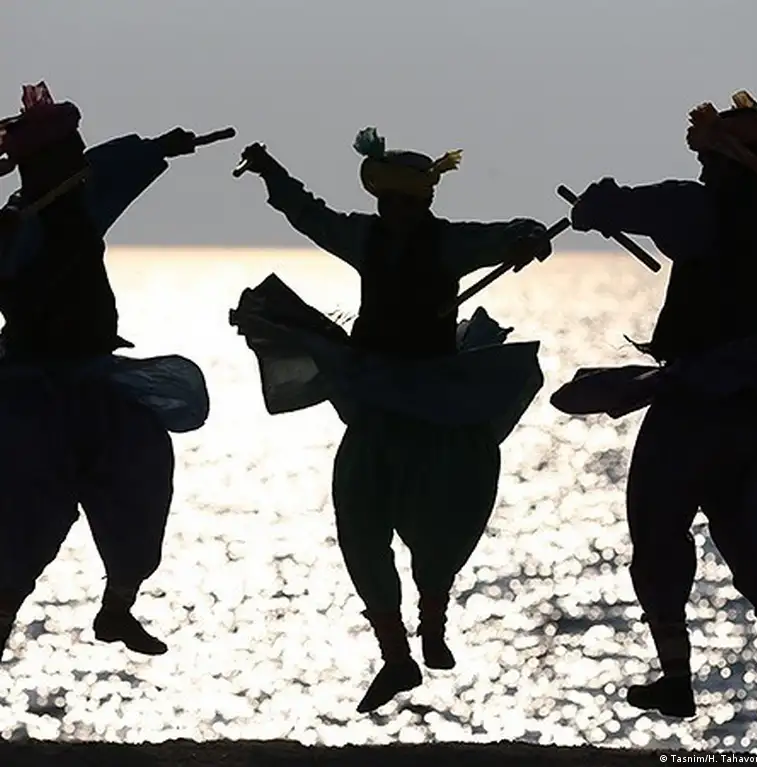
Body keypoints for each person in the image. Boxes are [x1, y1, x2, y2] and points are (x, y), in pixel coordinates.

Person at [229, 127, 553, 712]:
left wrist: (527, 236)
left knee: (440, 527)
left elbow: (506, 233)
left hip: (434, 405)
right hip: (376, 405)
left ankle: (433, 622)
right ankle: (396, 657)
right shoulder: (364, 236)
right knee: (359, 527)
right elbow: (310, 215)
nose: (394, 212)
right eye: (387, 202)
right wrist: (271, 172)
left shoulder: (449, 243)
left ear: (422, 201)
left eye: (404, 202)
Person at [550, 90, 757, 718]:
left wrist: (594, 206)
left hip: (696, 403)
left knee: (657, 528)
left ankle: (675, 678)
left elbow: (618, 205)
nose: (702, 169)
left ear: (724, 161)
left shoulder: (700, 206)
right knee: (751, 546)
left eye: (707, 160)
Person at [0, 82, 211, 661]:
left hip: (95, 380)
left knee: (140, 483)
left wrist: (160, 147)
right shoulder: (15, 228)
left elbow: (112, 166)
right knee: (23, 531)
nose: (80, 161)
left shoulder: (81, 202)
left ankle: (117, 608)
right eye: (68, 154)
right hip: (28, 392)